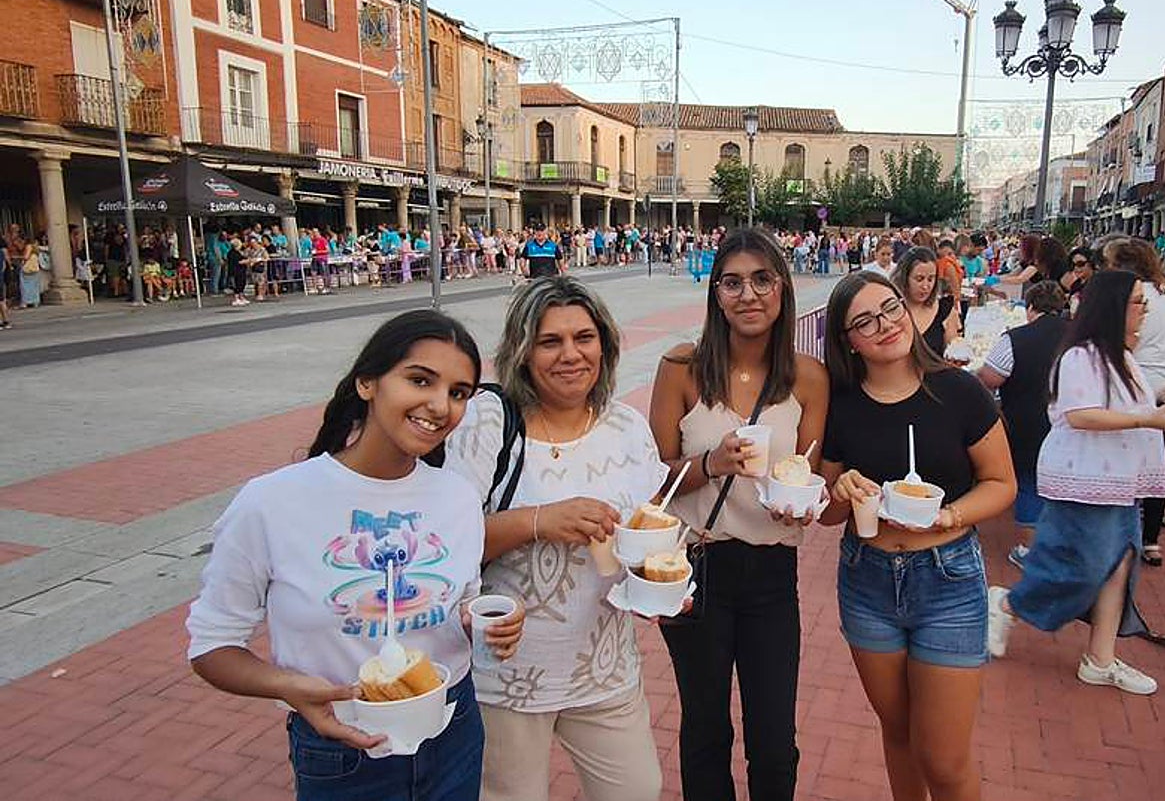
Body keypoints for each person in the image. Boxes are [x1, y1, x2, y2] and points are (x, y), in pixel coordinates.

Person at [187, 310, 525, 801]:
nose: (439, 405)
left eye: (458, 393)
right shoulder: (272, 502)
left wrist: (480, 619)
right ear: (368, 382)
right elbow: (211, 647)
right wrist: (288, 687)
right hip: (341, 741)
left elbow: (462, 601)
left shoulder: (456, 497)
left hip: (452, 730)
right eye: (419, 380)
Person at [443, 276, 667, 801]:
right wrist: (538, 520)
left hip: (605, 666)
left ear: (604, 346)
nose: (570, 355)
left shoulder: (627, 427)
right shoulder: (487, 420)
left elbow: (648, 532)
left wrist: (659, 581)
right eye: (550, 342)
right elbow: (448, 545)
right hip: (507, 672)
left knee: (638, 790)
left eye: (583, 338)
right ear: (522, 352)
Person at [818, 270, 1016, 801]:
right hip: (867, 581)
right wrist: (840, 491)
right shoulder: (841, 404)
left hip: (948, 579)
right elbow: (827, 513)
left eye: (890, 308)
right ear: (848, 341)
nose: (884, 325)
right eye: (864, 321)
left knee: (945, 760)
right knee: (899, 734)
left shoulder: (958, 390)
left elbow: (1002, 484)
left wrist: (948, 515)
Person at [647, 228, 829, 801]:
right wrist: (711, 462)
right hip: (696, 567)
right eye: (732, 282)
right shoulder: (679, 367)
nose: (747, 294)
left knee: (774, 737)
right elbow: (655, 481)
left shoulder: (808, 377)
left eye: (761, 279)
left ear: (782, 287)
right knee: (704, 728)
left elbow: (807, 474)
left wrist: (802, 504)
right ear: (715, 293)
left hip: (772, 574)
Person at [988, 270, 1165, 697]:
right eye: (1137, 302)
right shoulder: (1081, 357)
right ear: (1114, 307)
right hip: (1085, 480)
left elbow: (1123, 407)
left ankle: (1101, 658)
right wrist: (1150, 416)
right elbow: (1082, 414)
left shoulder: (1122, 357)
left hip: (1120, 481)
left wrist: (1163, 400)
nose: (1145, 310)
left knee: (1119, 566)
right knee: (1080, 567)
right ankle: (1007, 605)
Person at [1104, 237, 1165, 565]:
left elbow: (1126, 340)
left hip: (1138, 381)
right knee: (1158, 463)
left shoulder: (1133, 297)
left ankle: (1124, 531)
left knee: (1129, 461)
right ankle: (1152, 536)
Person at [977, 281, 1070, 569]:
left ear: (1031, 308)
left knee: (1029, 482)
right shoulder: (1079, 335)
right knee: (1061, 488)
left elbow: (990, 377)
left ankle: (1030, 550)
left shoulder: (1016, 338)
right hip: (1069, 424)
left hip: (1027, 422)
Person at [893, 247, 959, 357]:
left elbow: (953, 354)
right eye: (919, 279)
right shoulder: (890, 311)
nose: (925, 286)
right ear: (905, 278)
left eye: (930, 279)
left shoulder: (945, 310)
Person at [1063, 246, 1096, 316]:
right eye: (1072, 265)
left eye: (1080, 264)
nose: (1076, 268)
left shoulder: (1097, 284)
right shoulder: (1075, 285)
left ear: (1091, 263)